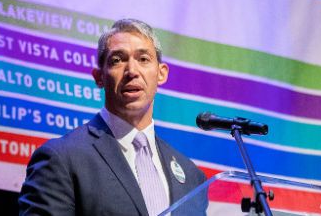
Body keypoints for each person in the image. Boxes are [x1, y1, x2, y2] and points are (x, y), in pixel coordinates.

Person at [18, 19, 206, 216]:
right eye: (118, 60)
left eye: (143, 59)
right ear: (99, 77)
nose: (132, 71)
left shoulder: (192, 177)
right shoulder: (62, 159)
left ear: (161, 73)